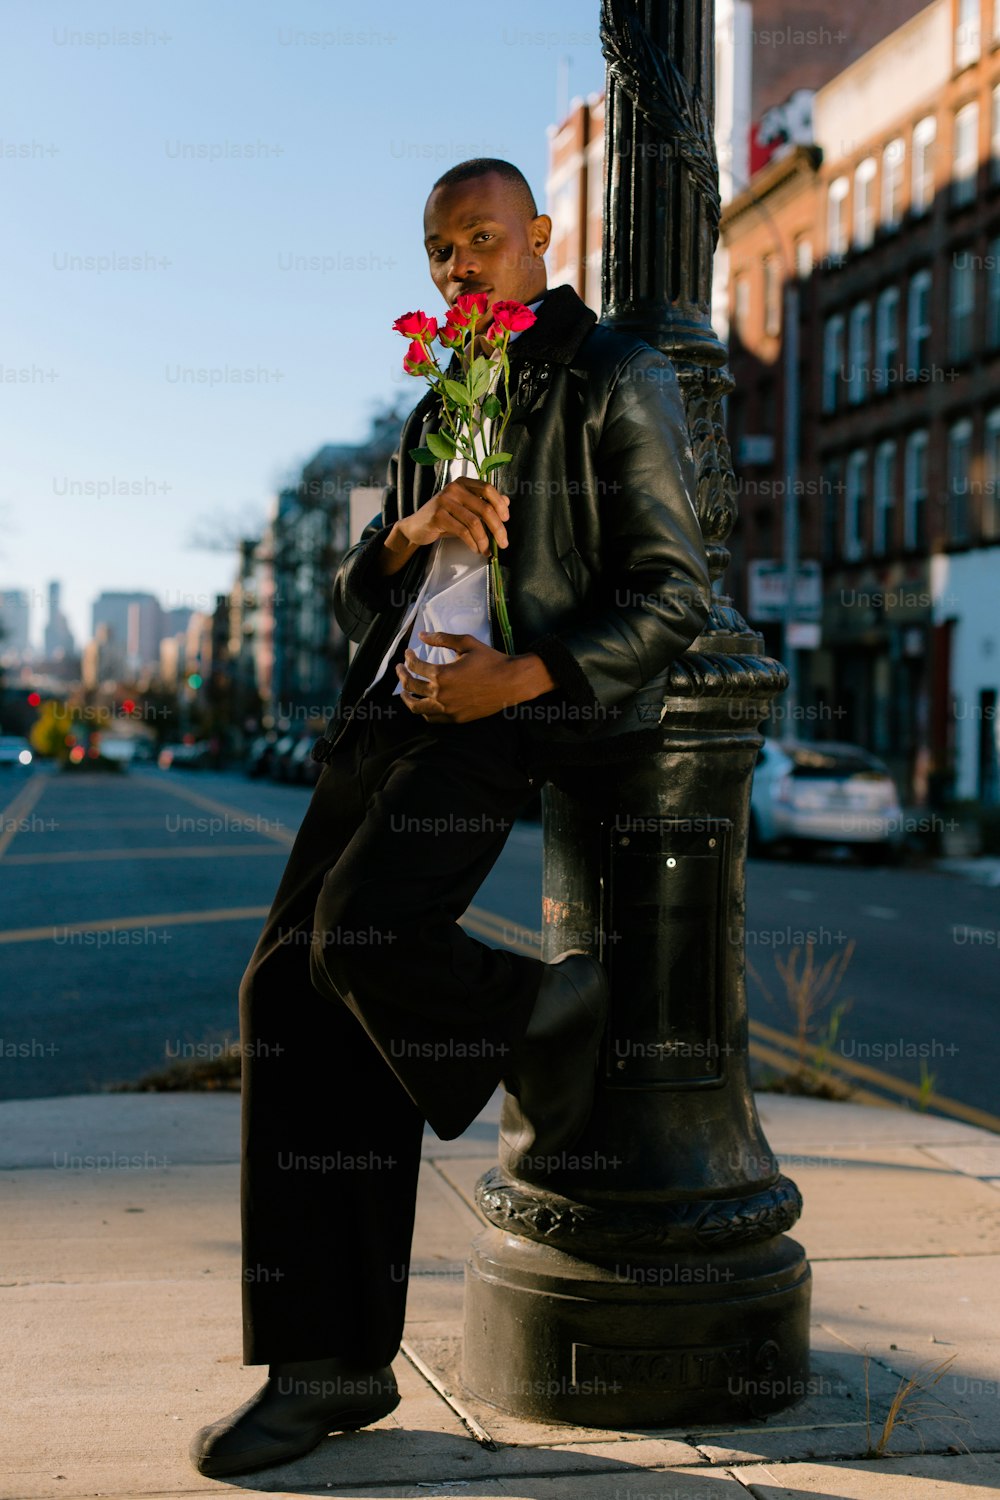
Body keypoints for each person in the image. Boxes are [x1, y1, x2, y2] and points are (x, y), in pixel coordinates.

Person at [190, 157, 711, 1479]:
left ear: (539, 233)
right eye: (437, 251)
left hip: (500, 717)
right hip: (384, 715)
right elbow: (364, 598)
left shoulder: (612, 377)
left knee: (363, 945)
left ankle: (546, 1015)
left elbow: (673, 593)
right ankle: (329, 1366)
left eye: (480, 239)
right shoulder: (438, 403)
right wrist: (408, 530)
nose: (458, 266)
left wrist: (513, 679)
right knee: (290, 996)